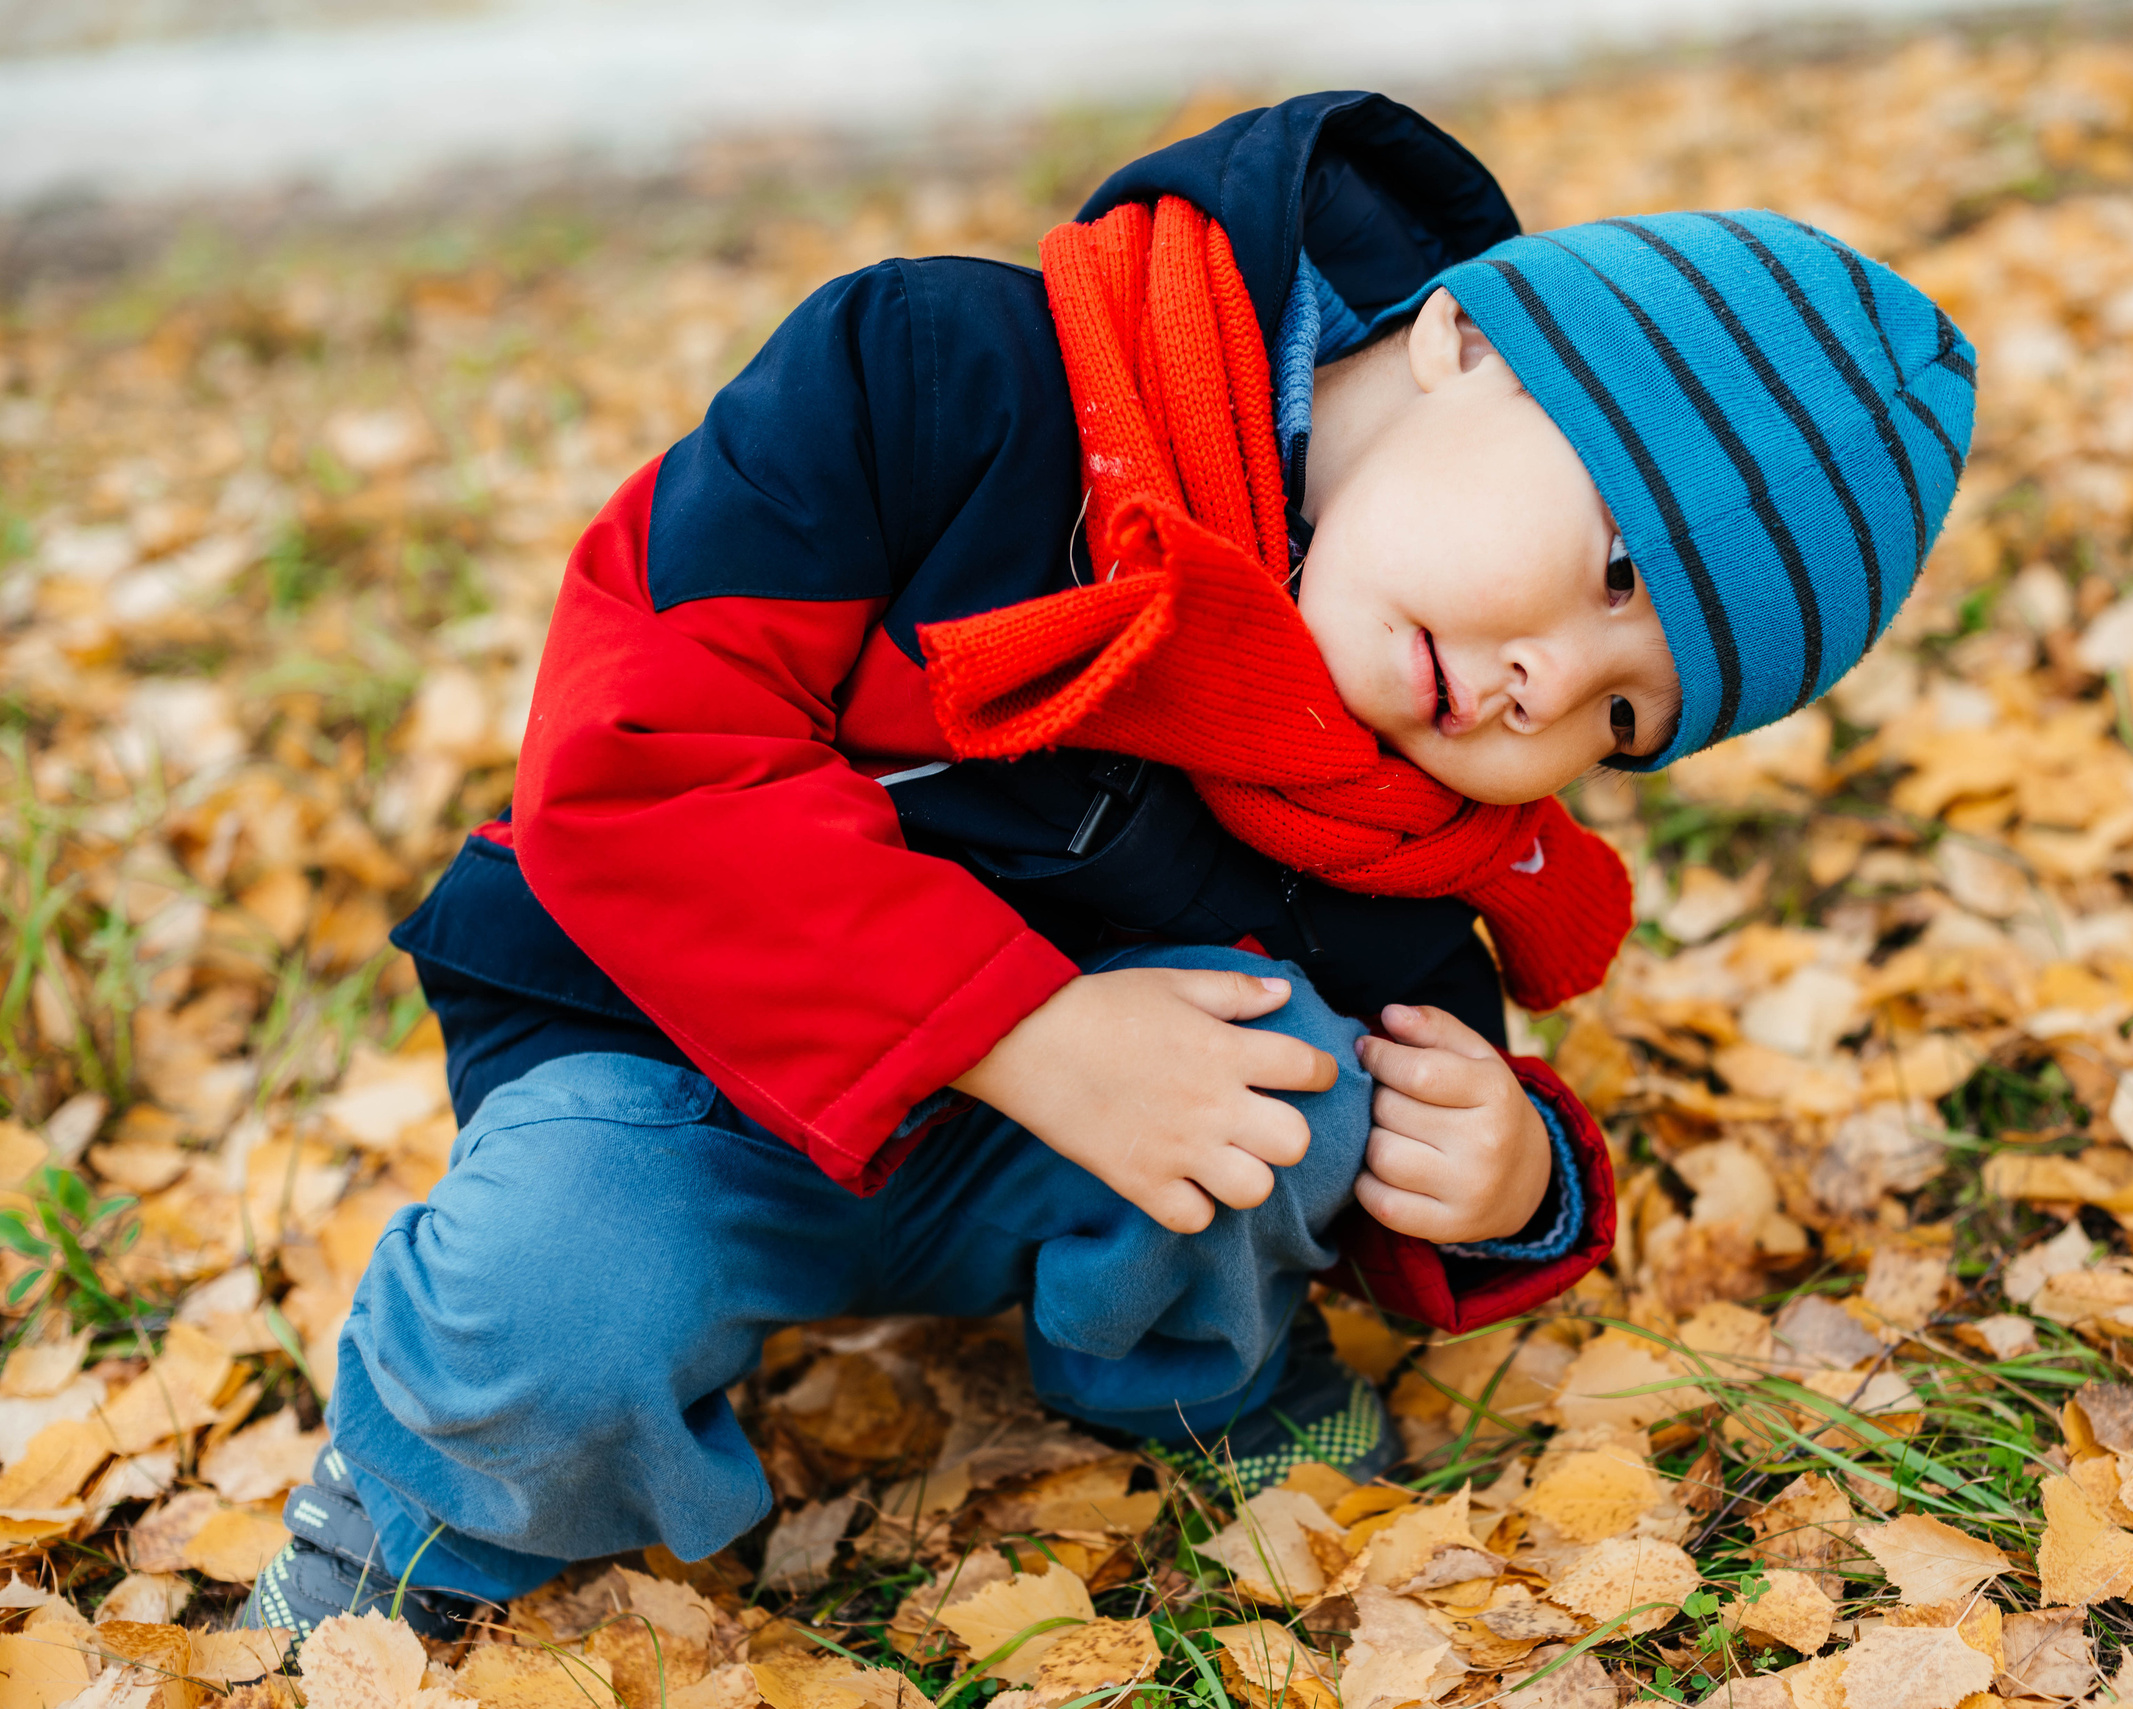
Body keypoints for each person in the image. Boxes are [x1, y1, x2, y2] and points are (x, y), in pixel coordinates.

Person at [246, 90, 1975, 1640]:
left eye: (1622, 717)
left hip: (1044, 1171)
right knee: (559, 1296)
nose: (1547, 692)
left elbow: (1418, 1090)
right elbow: (645, 751)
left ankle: (1181, 1376)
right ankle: (407, 1530)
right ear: (1467, 338)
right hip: (674, 1062)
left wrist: (1517, 1177)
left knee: (1314, 1072)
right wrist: (1026, 1032)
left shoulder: (1400, 776)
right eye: (1613, 572)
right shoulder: (938, 378)